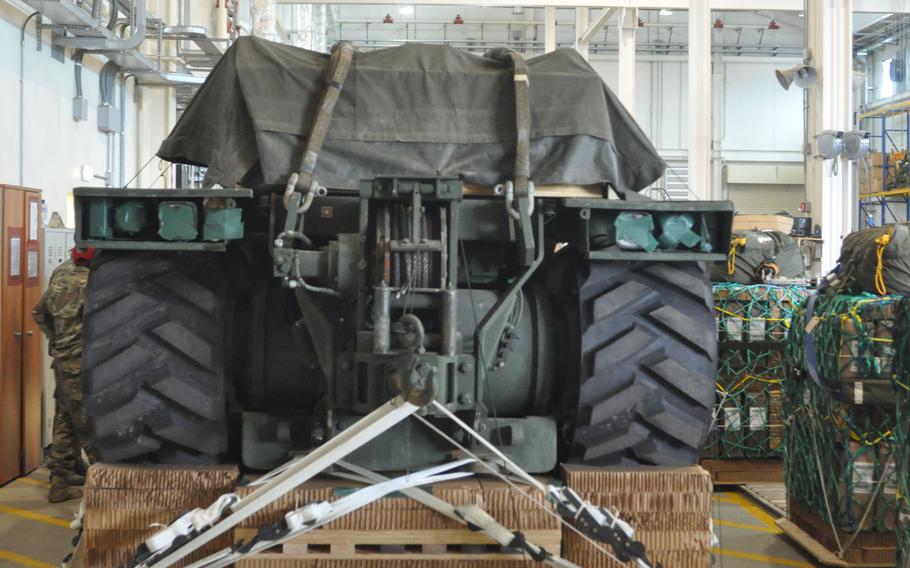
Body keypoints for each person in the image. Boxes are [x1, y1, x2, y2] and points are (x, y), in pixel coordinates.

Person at [33, 247, 97, 503]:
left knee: (64, 419)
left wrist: (57, 340)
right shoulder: (93, 280)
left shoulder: (61, 272)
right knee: (88, 426)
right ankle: (105, 487)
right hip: (81, 362)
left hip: (61, 361)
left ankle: (59, 483)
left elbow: (39, 313)